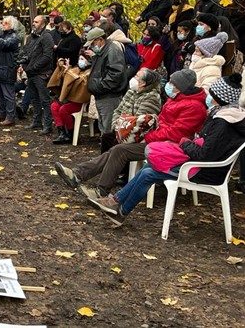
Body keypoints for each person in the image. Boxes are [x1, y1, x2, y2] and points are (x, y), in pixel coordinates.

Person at [91, 73, 244, 226]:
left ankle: (121, 211)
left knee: (148, 173)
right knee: (148, 167)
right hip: (198, 163)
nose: (207, 97)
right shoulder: (226, 116)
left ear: (219, 98)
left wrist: (185, 143)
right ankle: (115, 202)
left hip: (204, 170)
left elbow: (203, 154)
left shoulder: (222, 123)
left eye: (211, 93)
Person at [56, 69, 206, 199]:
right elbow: (126, 113)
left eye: (172, 83)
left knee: (119, 150)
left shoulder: (194, 107)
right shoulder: (176, 99)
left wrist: (147, 136)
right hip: (157, 140)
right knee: (115, 147)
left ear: (180, 87)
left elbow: (175, 133)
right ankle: (79, 175)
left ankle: (95, 186)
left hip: (170, 147)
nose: (169, 86)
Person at [84, 27, 127, 132]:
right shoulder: (103, 50)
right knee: (104, 126)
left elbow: (116, 74)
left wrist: (100, 86)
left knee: (108, 129)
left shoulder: (112, 50)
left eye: (93, 43)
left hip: (109, 96)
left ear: (100, 40)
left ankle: (109, 148)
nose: (91, 46)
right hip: (103, 95)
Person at [20, 15, 55, 133]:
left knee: (45, 100)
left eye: (36, 22)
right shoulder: (31, 37)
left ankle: (48, 125)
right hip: (31, 73)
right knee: (34, 99)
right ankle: (36, 122)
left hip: (41, 73)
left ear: (43, 23)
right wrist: (25, 66)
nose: (33, 23)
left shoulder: (47, 36)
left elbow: (47, 56)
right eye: (33, 21)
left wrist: (34, 67)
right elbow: (25, 52)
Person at [48, 54, 92, 144]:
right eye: (79, 58)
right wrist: (65, 69)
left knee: (63, 110)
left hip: (80, 101)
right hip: (69, 100)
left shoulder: (89, 72)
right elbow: (66, 81)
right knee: (54, 106)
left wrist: (68, 72)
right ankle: (62, 132)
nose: (80, 61)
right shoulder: (76, 69)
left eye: (83, 59)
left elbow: (78, 81)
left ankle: (70, 133)